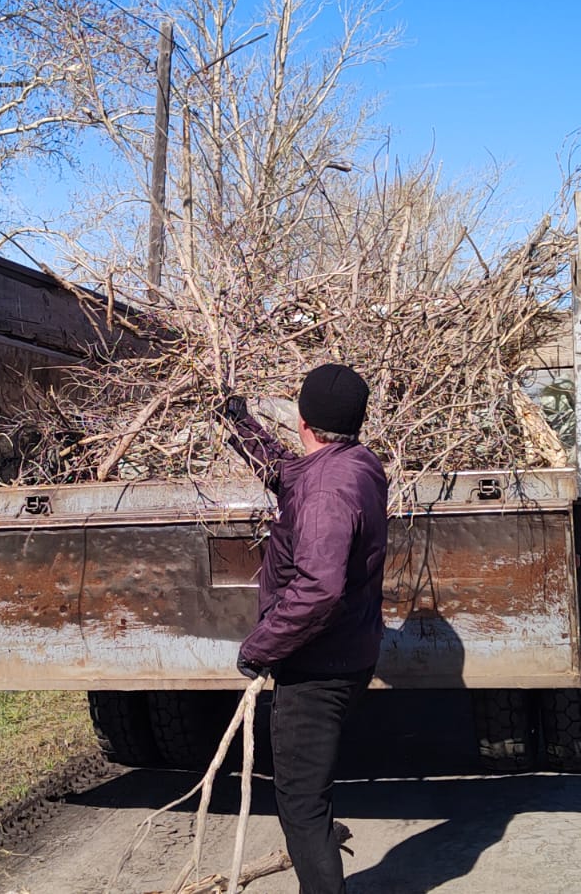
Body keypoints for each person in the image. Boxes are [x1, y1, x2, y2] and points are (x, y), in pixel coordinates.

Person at [216, 364, 388, 894]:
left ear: (304, 420)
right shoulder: (356, 464)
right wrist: (240, 424)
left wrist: (260, 647)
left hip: (318, 666)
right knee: (311, 791)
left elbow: (318, 588)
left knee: (301, 803)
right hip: (345, 653)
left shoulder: (326, 495)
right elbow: (288, 473)